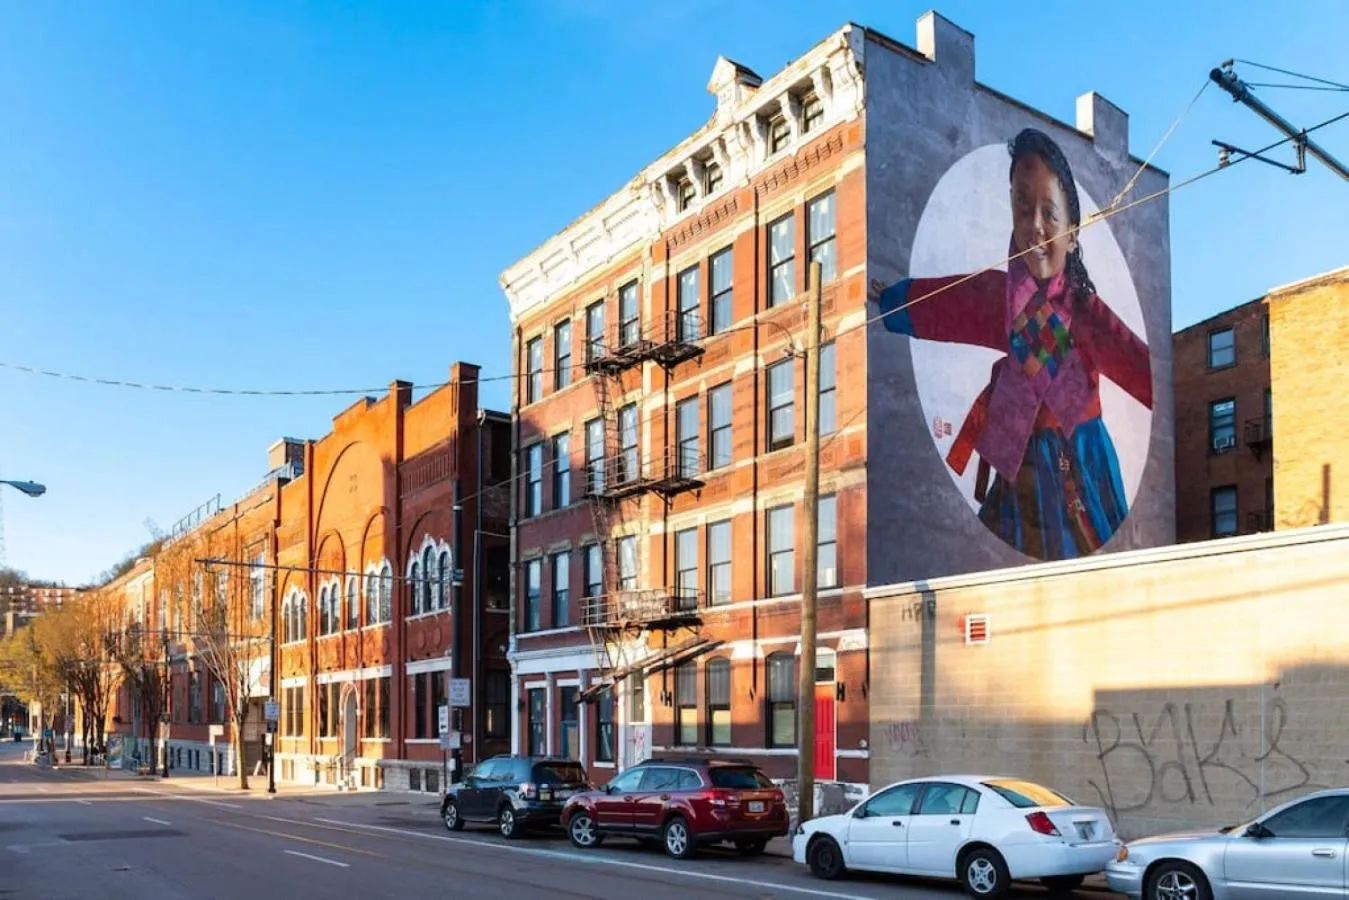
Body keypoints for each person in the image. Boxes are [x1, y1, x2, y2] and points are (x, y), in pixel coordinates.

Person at [872, 128, 1153, 561]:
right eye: (1023, 206)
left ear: (1073, 233)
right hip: (1020, 472)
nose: (1035, 225)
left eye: (1049, 212)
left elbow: (1142, 367)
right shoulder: (998, 298)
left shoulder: (1087, 314)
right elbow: (949, 305)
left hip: (1080, 464)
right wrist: (894, 301)